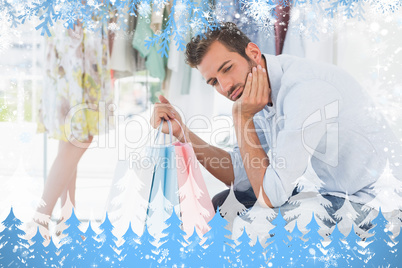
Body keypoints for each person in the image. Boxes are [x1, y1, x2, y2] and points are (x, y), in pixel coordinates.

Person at [151, 22, 402, 224]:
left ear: (253, 52)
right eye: (214, 82)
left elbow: (270, 196)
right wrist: (182, 132)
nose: (225, 86)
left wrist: (242, 118)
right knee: (222, 204)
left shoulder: (304, 90)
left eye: (227, 68)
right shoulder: (257, 89)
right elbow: (241, 174)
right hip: (330, 191)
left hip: (376, 204)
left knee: (253, 223)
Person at [34, 21, 113, 237]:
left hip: (73, 37)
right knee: (80, 136)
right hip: (78, 40)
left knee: (72, 136)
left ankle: (67, 219)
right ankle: (40, 219)